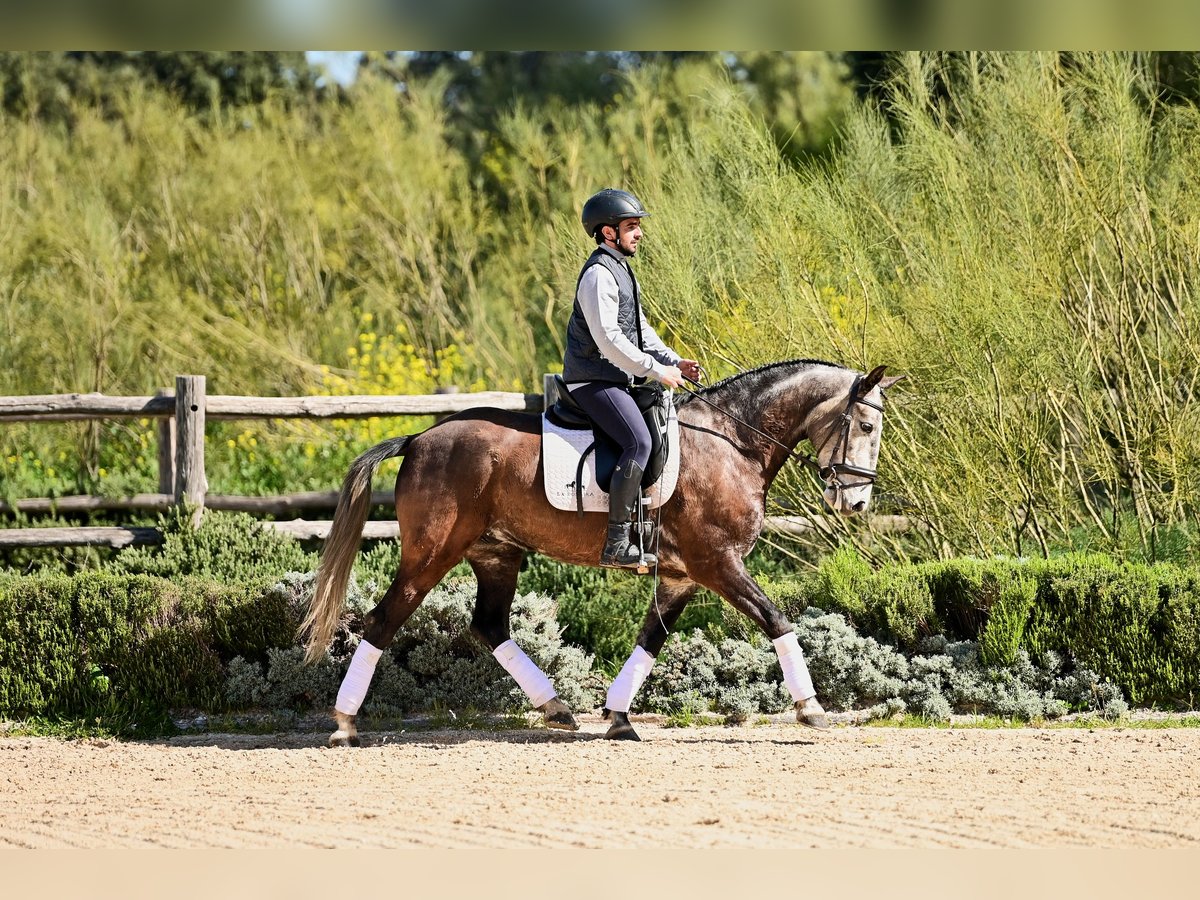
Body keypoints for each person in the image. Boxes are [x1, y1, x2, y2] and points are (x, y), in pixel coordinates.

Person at [561, 188, 701, 568]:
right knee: (637, 442)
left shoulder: (622, 270)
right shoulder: (598, 275)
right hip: (591, 379)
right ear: (608, 232)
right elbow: (609, 339)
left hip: (614, 379)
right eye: (632, 227)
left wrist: (675, 360)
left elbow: (639, 329)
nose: (639, 233)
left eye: (638, 226)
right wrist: (657, 371)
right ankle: (617, 544)